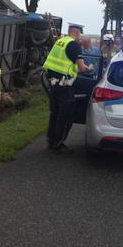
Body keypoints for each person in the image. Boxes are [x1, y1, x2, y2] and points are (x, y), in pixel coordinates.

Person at [43, 23, 94, 153]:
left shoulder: (61, 41)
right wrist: (90, 68)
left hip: (53, 83)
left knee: (55, 112)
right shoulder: (74, 45)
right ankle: (58, 143)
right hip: (65, 85)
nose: (80, 36)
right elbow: (82, 68)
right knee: (66, 114)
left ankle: (51, 140)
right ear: (77, 33)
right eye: (80, 34)